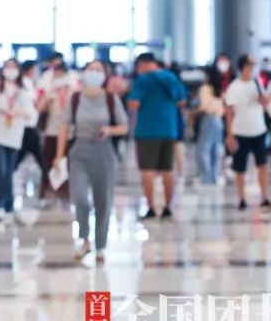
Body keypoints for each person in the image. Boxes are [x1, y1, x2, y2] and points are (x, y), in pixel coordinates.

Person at [55, 61, 128, 263]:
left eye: (99, 70)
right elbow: (64, 126)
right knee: (80, 198)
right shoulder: (75, 98)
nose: (94, 73)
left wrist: (109, 130)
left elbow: (124, 126)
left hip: (104, 152)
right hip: (79, 150)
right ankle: (84, 239)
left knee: (103, 200)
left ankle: (101, 245)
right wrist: (59, 154)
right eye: (91, 69)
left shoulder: (111, 99)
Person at [127, 52, 187, 219]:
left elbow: (133, 104)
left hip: (147, 131)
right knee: (168, 170)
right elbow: (182, 101)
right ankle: (168, 208)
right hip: (169, 130)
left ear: (143, 64)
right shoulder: (171, 78)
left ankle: (152, 208)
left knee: (148, 171)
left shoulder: (143, 80)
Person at [0, 58, 38, 218]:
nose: (11, 70)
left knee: (9, 171)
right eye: (8, 66)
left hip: (14, 135)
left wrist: (16, 113)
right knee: (1, 169)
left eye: (13, 67)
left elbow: (31, 113)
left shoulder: (23, 89)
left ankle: (8, 204)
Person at [224, 55, 271, 211]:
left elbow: (265, 104)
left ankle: (264, 197)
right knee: (240, 168)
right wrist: (230, 135)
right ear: (243, 67)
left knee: (262, 164)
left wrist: (264, 100)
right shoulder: (234, 86)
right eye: (250, 65)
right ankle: (241, 198)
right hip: (240, 131)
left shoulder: (257, 83)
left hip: (258, 130)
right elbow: (229, 112)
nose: (252, 68)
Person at [39, 62, 73, 198]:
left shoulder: (74, 92)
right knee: (48, 163)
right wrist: (46, 101)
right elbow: (40, 108)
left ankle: (66, 192)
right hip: (52, 131)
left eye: (61, 76)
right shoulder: (50, 91)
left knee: (68, 163)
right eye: (56, 76)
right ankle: (46, 190)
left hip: (70, 133)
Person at [194, 62, 226, 186]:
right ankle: (214, 176)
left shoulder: (205, 89)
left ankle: (206, 177)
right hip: (219, 120)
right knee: (215, 150)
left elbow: (203, 106)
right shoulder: (219, 89)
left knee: (203, 149)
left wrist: (192, 113)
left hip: (208, 118)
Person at [17, 59, 45, 170]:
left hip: (30, 125)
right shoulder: (25, 83)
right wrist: (44, 99)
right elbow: (36, 104)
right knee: (38, 157)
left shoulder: (28, 82)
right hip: (27, 126)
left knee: (37, 156)